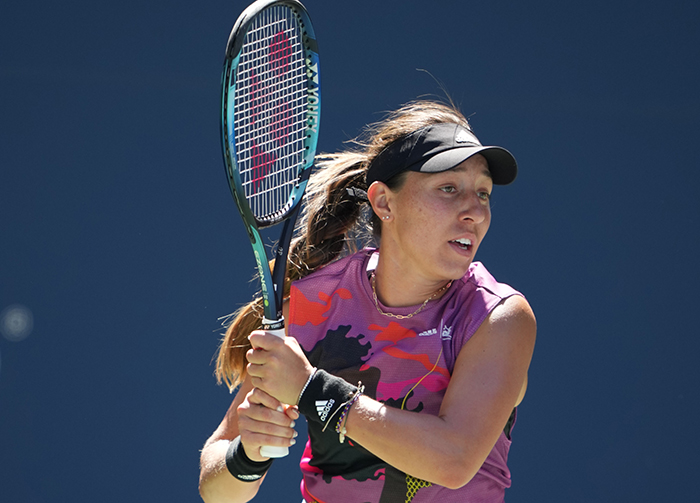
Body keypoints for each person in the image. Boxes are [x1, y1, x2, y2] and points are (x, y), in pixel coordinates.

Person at [199, 100, 536, 503]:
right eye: (449, 188)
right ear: (384, 202)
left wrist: (311, 389)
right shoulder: (315, 305)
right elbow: (217, 491)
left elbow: (454, 460)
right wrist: (247, 455)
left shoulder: (498, 316)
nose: (475, 212)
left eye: (483, 193)